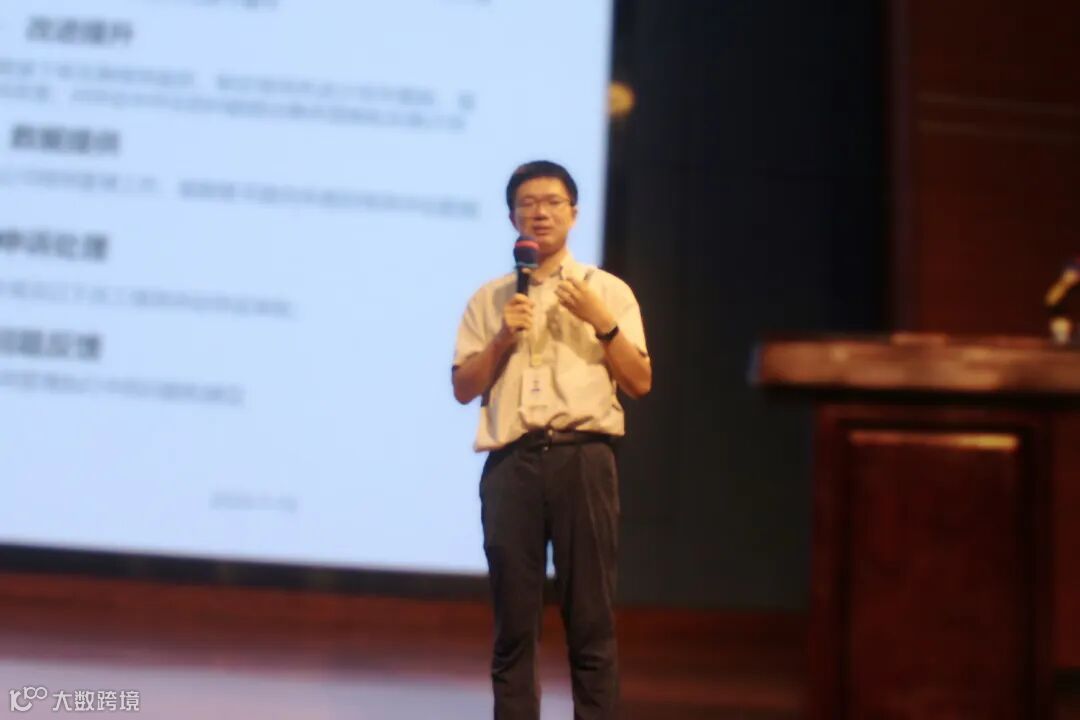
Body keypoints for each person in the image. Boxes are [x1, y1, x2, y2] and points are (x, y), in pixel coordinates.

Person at [452, 160, 651, 719]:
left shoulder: (607, 291)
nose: (540, 213)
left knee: (590, 621)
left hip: (582, 459)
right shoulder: (490, 298)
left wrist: (601, 322)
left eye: (552, 202)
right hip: (511, 465)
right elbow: (463, 389)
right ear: (512, 218)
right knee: (513, 626)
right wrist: (500, 340)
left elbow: (640, 381)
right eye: (527, 204)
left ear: (574, 213)